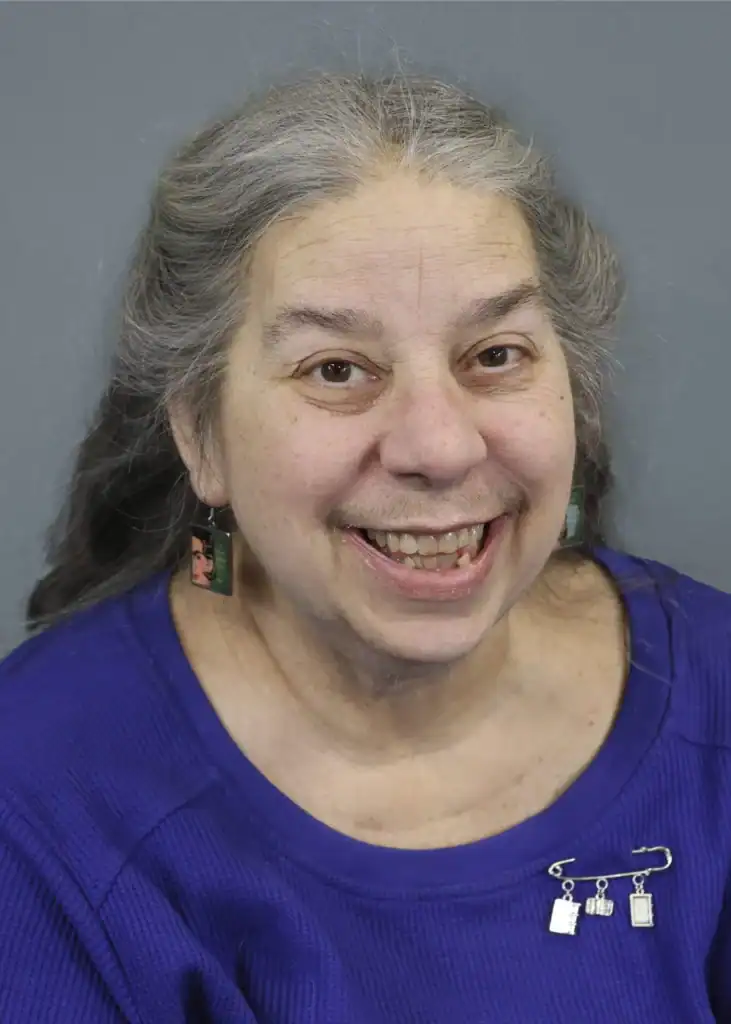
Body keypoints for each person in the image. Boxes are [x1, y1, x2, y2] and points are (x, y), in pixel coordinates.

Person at [0, 70, 729, 1024]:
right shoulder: (36, 796)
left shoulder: (715, 697)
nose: (439, 447)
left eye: (495, 355)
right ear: (201, 436)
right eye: (336, 369)